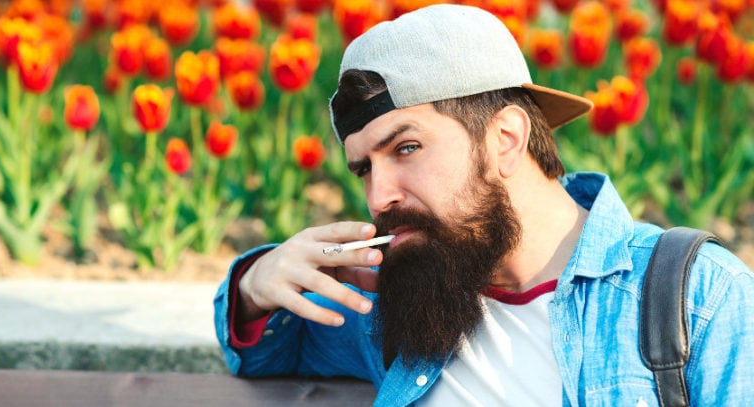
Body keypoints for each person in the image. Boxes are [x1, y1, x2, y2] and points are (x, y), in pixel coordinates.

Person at [214, 4, 754, 406]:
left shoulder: (697, 300)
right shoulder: (400, 306)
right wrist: (254, 284)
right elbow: (270, 351)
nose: (380, 196)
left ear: (506, 139)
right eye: (364, 169)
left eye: (406, 148)